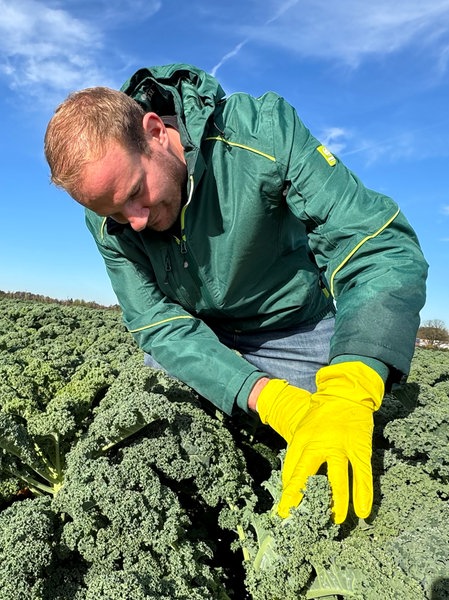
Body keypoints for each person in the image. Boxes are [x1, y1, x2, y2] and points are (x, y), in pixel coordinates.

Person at [44, 63, 428, 524]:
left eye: (136, 194)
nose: (137, 221)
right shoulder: (108, 220)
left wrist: (352, 382)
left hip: (292, 328)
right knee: (150, 405)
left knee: (352, 442)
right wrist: (264, 395)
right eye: (117, 213)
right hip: (203, 339)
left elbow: (374, 243)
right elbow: (157, 323)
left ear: (153, 132)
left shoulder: (260, 132)